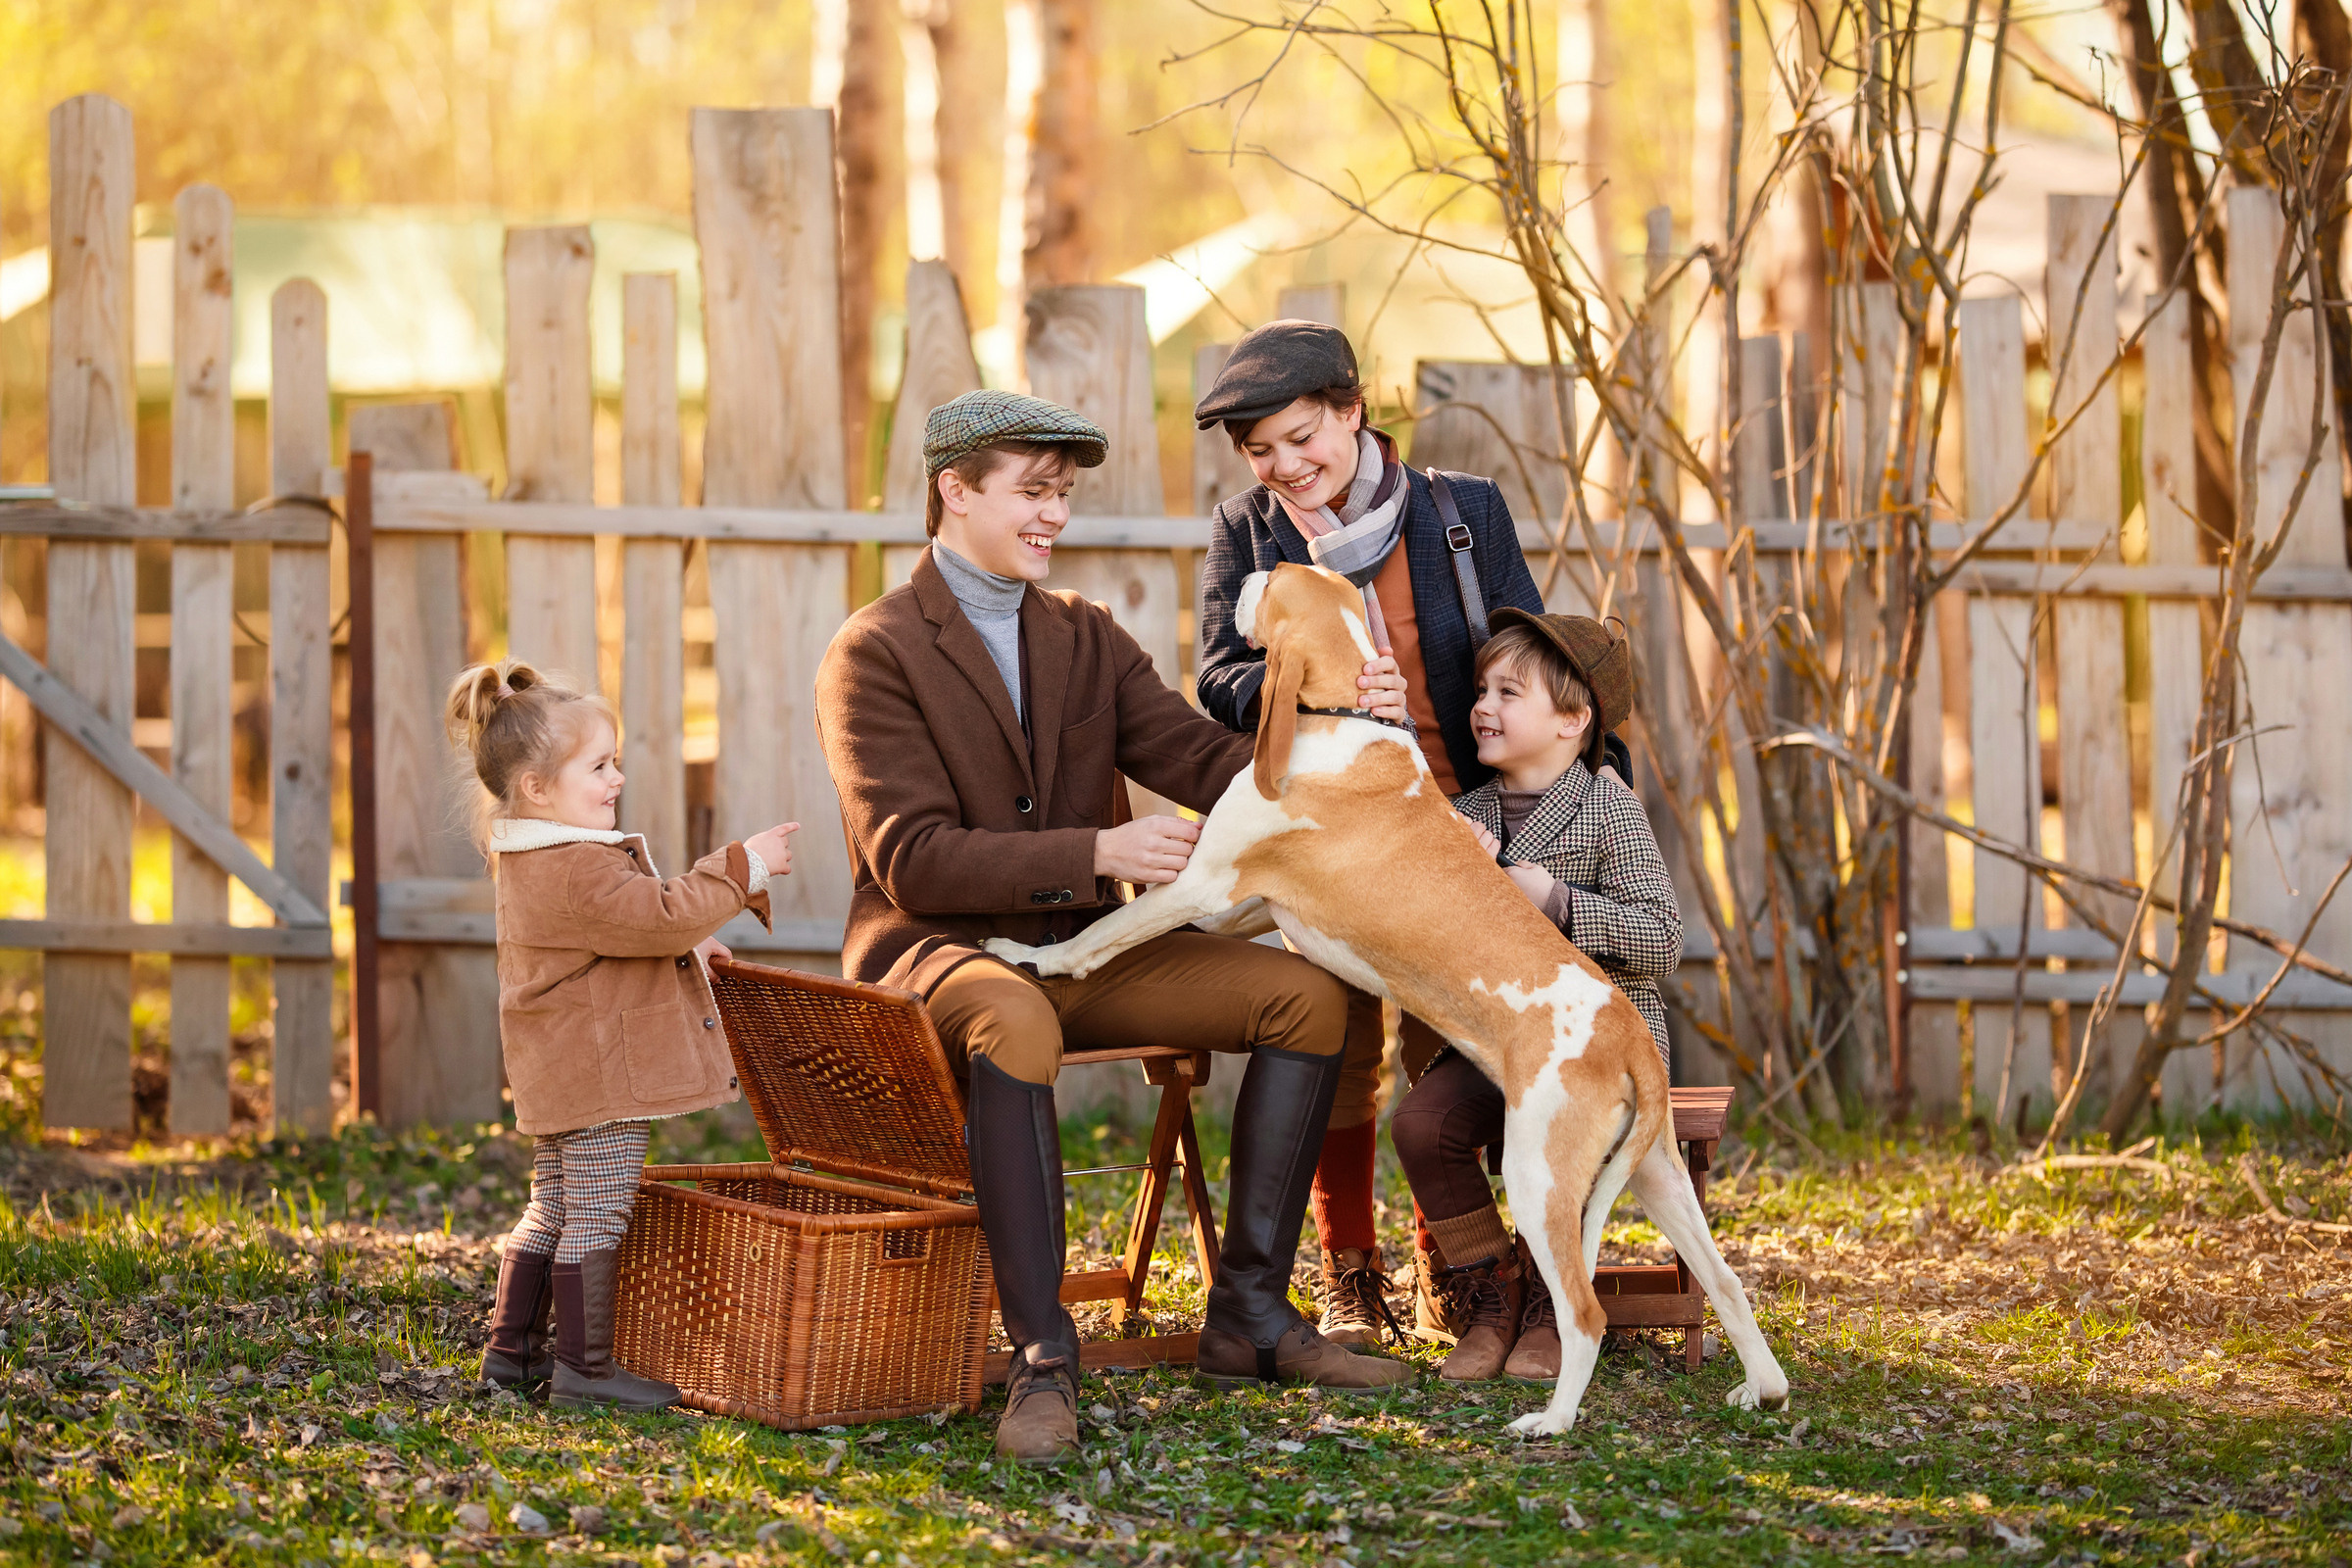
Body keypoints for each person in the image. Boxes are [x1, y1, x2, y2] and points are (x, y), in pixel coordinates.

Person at [815, 389, 1408, 1467]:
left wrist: (1342, 728)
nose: (1055, 517)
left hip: (1086, 951)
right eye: (1032, 493)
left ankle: (1251, 1319)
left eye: (1064, 496)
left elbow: (1201, 758)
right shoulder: (874, 650)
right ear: (955, 490)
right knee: (1014, 1019)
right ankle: (1044, 1357)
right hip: (940, 954)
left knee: (1308, 995)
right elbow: (910, 856)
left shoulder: (1085, 634)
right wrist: (1097, 851)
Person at [1194, 319, 1640, 1349]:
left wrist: (1575, 804)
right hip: (1341, 835)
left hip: (1467, 828)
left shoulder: (1461, 511)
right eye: (1262, 452)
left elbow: (1529, 650)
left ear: (1353, 411)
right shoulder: (1247, 531)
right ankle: (1352, 1269)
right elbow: (1219, 677)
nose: (1286, 467)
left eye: (1303, 436)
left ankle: (1466, 1267)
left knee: (1464, 1053)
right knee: (1341, 1043)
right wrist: (1310, 680)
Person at [452, 659, 799, 1412]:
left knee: (555, 1205)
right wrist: (743, 868)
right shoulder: (574, 864)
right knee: (600, 1209)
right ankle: (587, 1369)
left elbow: (622, 933)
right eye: (599, 766)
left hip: (561, 1065)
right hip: (605, 1075)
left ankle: (512, 1353)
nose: (616, 780)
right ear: (537, 788)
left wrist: (689, 943)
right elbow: (656, 913)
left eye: (616, 764)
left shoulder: (535, 858)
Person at [1390, 612, 1682, 1382]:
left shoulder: (1607, 807)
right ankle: (1494, 1292)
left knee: (1561, 1121)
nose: (1483, 704)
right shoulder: (1465, 819)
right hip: (1500, 1044)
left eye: (1509, 692)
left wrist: (1555, 900)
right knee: (1423, 1123)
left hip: (1597, 1049)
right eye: (1482, 688)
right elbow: (1428, 955)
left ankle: (1558, 1299)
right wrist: (1457, 881)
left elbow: (1662, 938)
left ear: (1573, 720)